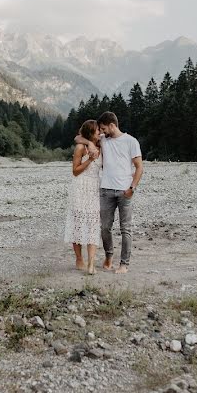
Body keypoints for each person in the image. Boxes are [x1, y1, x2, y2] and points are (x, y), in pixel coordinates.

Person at [75, 111, 143, 274]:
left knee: (125, 228)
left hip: (125, 191)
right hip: (105, 191)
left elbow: (139, 167)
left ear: (112, 125)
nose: (102, 131)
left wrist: (132, 188)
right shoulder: (104, 140)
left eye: (104, 128)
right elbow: (77, 138)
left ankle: (124, 264)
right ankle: (109, 256)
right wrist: (90, 144)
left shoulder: (131, 141)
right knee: (105, 227)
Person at [64, 120, 102, 275]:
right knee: (78, 223)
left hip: (94, 188)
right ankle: (79, 258)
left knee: (93, 223)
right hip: (79, 187)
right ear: (90, 133)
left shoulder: (102, 145)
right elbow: (75, 171)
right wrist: (90, 159)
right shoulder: (80, 148)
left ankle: (92, 262)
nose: (100, 132)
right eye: (97, 130)